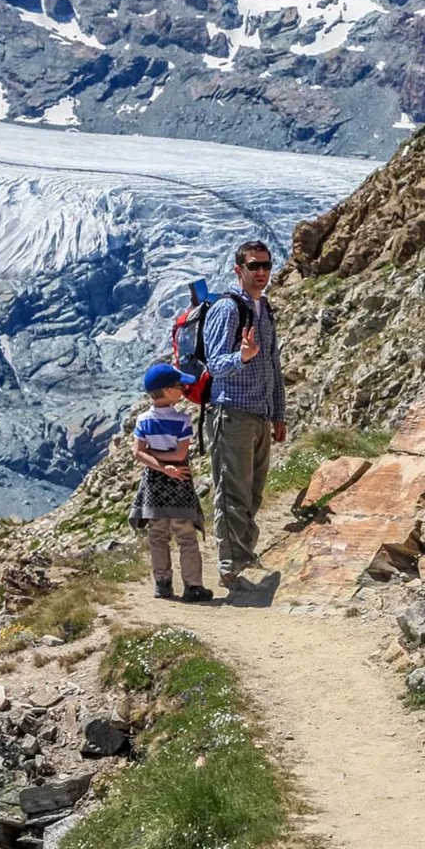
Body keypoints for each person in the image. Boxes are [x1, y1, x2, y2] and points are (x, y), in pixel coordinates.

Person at [203, 240, 286, 592]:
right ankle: (230, 568)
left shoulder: (264, 309)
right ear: (239, 270)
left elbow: (273, 365)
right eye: (254, 266)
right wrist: (243, 356)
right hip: (231, 413)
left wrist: (278, 414)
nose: (261, 272)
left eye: (266, 265)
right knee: (232, 494)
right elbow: (215, 364)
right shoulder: (228, 309)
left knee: (251, 494)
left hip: (259, 416)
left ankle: (241, 558)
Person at [128, 363, 213, 603]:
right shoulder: (182, 419)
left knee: (157, 536)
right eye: (179, 386)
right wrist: (169, 465)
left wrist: (156, 462)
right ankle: (193, 586)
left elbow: (137, 453)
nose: (183, 389)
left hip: (153, 483)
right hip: (179, 481)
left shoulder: (143, 420)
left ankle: (162, 584)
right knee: (185, 535)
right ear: (167, 392)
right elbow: (179, 454)